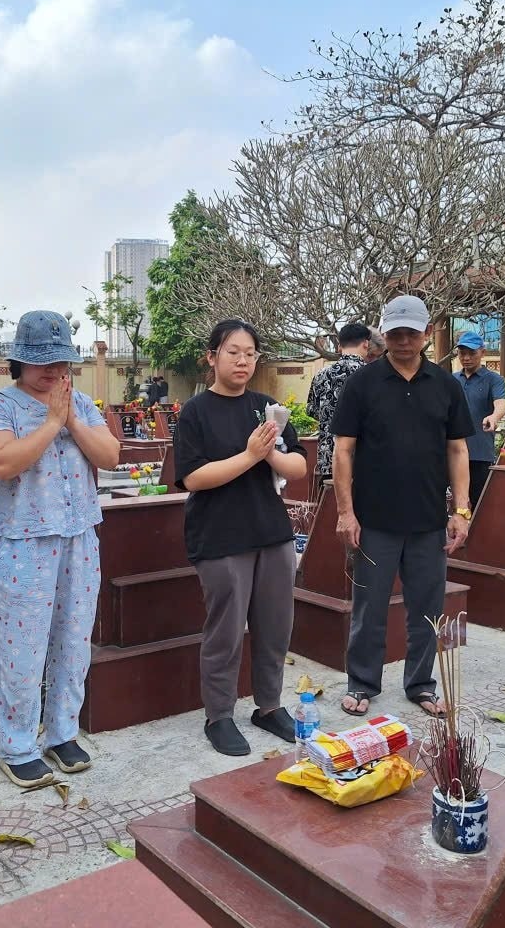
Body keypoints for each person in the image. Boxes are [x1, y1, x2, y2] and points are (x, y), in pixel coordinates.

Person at [0, 311, 121, 788]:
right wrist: (52, 421)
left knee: (74, 639)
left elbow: (110, 455)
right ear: (19, 362)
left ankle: (61, 733)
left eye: (61, 362)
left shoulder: (79, 402)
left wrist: (71, 418)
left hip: (79, 535)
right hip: (22, 544)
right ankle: (16, 744)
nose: (53, 372)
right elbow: (1, 462)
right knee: (21, 646)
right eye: (42, 363)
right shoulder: (0, 406)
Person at [331, 295, 474, 720]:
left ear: (428, 334)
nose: (404, 340)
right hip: (374, 521)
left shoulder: (445, 385)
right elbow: (343, 451)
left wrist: (461, 511)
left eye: (412, 332)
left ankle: (421, 684)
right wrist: (345, 512)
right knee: (368, 608)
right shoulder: (363, 383)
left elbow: (458, 450)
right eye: (395, 333)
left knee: (427, 609)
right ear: (383, 334)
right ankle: (361, 683)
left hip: (429, 521)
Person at [173, 319, 308, 756]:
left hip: (272, 533)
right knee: (226, 632)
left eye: (250, 352)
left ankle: (268, 706)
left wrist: (270, 454)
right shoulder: (195, 412)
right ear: (212, 357)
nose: (243, 360)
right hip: (219, 537)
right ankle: (220, 714)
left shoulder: (266, 408)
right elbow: (193, 477)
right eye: (233, 351)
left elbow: (298, 467)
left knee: (275, 626)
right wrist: (250, 455)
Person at [306, 323, 371, 492]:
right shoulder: (371, 375)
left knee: (328, 513)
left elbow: (312, 411)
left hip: (328, 459)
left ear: (339, 345)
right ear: (366, 343)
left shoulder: (321, 375)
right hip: (363, 461)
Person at [452, 331, 505, 510]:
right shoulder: (452, 380)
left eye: (472, 353)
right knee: (452, 502)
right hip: (452, 450)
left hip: (479, 451)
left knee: (479, 504)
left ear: (483, 353)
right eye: (462, 353)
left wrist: (494, 416)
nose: (466, 358)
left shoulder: (494, 380)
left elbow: (500, 403)